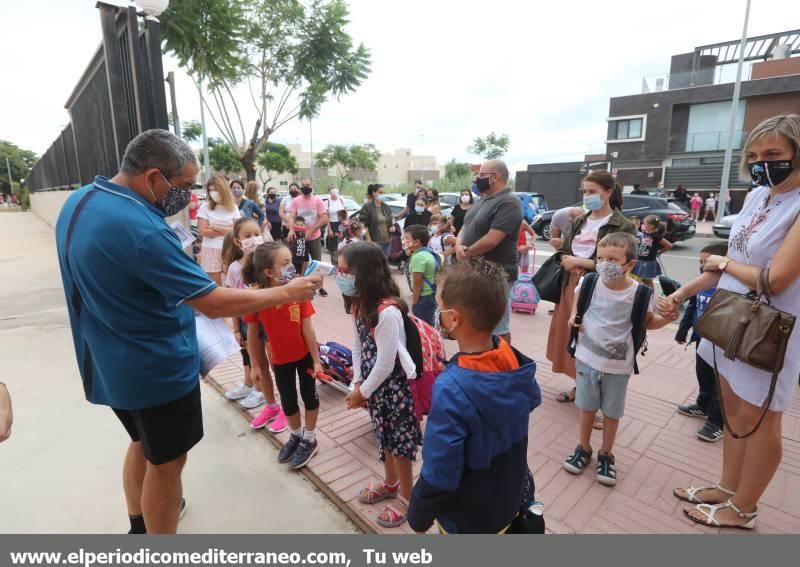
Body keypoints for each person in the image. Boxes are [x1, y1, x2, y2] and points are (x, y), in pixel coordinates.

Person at [54, 129, 321, 534]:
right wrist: (287, 291)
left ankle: (138, 525)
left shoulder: (81, 201)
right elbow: (211, 301)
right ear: (153, 177)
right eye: (181, 186)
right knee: (168, 463)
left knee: (144, 445)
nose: (186, 195)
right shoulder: (143, 229)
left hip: (109, 359)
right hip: (154, 370)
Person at [662, 114, 800, 530]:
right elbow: (728, 264)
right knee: (733, 409)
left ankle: (744, 508)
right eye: (755, 156)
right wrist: (681, 293)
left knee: (761, 418)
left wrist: (723, 261)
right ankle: (727, 487)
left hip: (767, 330)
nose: (763, 163)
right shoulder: (760, 196)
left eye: (774, 154)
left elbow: (774, 279)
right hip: (729, 318)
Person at [407, 257, 540, 534]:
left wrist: (418, 514)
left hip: (466, 516)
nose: (437, 313)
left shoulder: (451, 388)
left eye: (440, 307)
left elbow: (440, 470)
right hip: (507, 498)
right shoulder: (509, 355)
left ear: (454, 318)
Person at [563, 233, 675, 485]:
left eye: (612, 259)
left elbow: (649, 322)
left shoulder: (639, 294)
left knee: (612, 412)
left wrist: (669, 317)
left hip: (618, 365)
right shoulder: (590, 281)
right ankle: (583, 447)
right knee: (586, 406)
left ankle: (606, 453)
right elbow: (577, 303)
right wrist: (573, 316)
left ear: (630, 264)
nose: (604, 264)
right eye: (600, 258)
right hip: (586, 357)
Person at [339, 242, 423, 529]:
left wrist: (362, 391)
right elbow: (358, 346)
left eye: (345, 271)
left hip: (396, 390)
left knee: (399, 445)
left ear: (365, 272)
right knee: (383, 437)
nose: (341, 276)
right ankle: (390, 483)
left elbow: (387, 363)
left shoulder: (388, 311)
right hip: (375, 389)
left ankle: (408, 497)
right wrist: (357, 381)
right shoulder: (360, 304)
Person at [548, 171, 637, 404]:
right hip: (571, 286)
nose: (587, 196)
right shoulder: (580, 220)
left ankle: (597, 403)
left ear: (608, 192)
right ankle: (581, 388)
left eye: (592, 192)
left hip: (601, 290)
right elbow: (564, 250)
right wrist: (566, 259)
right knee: (575, 339)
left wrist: (581, 263)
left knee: (598, 341)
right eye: (585, 191)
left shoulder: (622, 225)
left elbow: (620, 263)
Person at [242, 242, 323, 469]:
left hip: (305, 355)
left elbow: (308, 328)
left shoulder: (299, 293)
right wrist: (256, 365)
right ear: (268, 272)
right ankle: (296, 436)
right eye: (285, 263)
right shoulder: (257, 297)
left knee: (309, 396)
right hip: (279, 359)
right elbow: (252, 334)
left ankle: (310, 439)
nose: (291, 267)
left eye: (291, 261)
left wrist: (316, 360)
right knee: (288, 400)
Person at [222, 219, 286, 430]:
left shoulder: (268, 265)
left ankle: (287, 408)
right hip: (247, 324)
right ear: (238, 242)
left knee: (278, 367)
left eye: (256, 233)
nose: (253, 239)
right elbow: (232, 302)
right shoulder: (234, 268)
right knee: (259, 366)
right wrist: (235, 329)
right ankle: (271, 405)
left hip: (270, 324)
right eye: (247, 236)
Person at [456, 160, 523, 345]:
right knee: (478, 321)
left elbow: (493, 239)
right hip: (475, 271)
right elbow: (465, 227)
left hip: (497, 274)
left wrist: (467, 252)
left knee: (498, 326)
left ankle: (502, 365)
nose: (476, 179)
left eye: (481, 175)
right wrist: (459, 245)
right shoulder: (481, 201)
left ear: (495, 177)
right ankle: (482, 359)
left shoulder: (510, 202)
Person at [675, 242, 729, 443]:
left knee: (719, 384)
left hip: (721, 344)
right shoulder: (701, 284)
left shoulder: (729, 286)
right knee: (703, 375)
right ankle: (702, 404)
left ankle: (716, 421)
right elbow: (692, 306)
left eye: (707, 263)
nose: (703, 267)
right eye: (700, 262)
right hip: (701, 340)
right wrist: (682, 330)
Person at [287, 178, 329, 297]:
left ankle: (320, 287)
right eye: (303, 185)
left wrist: (312, 230)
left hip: (314, 237)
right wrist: (291, 229)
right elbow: (291, 216)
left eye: (308, 185)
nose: (306, 187)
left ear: (312, 185)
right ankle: (302, 285)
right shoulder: (296, 201)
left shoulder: (318, 201)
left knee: (317, 263)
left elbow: (324, 218)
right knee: (300, 262)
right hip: (299, 238)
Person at [197, 176, 241, 285]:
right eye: (210, 190)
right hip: (210, 249)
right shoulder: (205, 207)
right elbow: (203, 231)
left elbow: (237, 231)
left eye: (215, 190)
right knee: (214, 284)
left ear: (223, 189)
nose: (213, 193)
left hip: (230, 248)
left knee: (232, 283)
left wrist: (215, 227)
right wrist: (228, 229)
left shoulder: (233, 207)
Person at [403, 225, 439, 326]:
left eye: (406, 238)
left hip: (423, 298)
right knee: (430, 326)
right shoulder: (427, 253)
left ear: (417, 242)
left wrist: (414, 304)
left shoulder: (418, 257)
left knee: (423, 327)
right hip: (431, 295)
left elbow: (417, 284)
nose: (404, 240)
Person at [631, 215, 673, 289]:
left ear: (651, 226)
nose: (642, 225)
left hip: (648, 262)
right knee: (642, 280)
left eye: (645, 224)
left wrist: (659, 252)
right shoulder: (644, 233)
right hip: (640, 260)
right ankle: (644, 294)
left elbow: (669, 245)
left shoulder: (655, 236)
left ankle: (650, 297)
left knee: (648, 281)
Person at [358, 184, 395, 257]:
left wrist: (392, 226)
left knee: (384, 264)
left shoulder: (386, 207)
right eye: (380, 192)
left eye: (384, 193)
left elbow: (391, 219)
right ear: (374, 193)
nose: (382, 195)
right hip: (374, 242)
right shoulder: (367, 207)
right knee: (374, 264)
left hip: (387, 242)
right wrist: (369, 241)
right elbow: (363, 224)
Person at [326, 184, 346, 266]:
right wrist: (330, 229)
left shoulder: (341, 199)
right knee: (334, 248)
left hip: (341, 224)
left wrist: (344, 226)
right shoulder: (327, 202)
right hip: (332, 224)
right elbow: (327, 217)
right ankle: (334, 265)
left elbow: (345, 213)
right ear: (329, 191)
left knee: (343, 245)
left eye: (335, 188)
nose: (334, 190)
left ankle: (343, 265)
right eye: (332, 189)